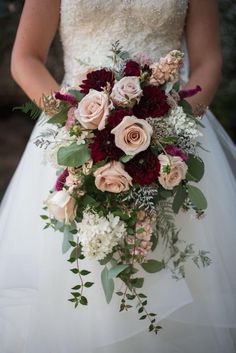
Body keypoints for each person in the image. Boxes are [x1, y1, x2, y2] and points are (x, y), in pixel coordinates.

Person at [0, 0, 236, 352]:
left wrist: (171, 127)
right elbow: (26, 57)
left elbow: (207, 61)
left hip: (172, 135)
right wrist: (77, 125)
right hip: (75, 132)